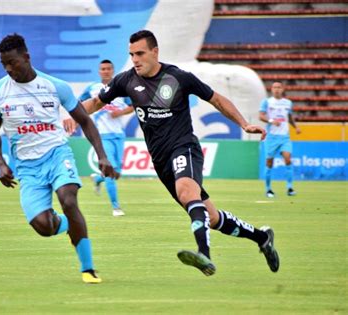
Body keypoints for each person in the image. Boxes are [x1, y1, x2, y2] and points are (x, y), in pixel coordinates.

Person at [79, 30, 280, 276]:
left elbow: (216, 99)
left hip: (184, 147)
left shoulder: (178, 77)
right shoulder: (126, 80)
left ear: (155, 51)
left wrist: (243, 124)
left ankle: (204, 254)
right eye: (131, 54)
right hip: (161, 160)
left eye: (140, 53)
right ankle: (262, 237)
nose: (135, 59)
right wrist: (69, 116)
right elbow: (96, 103)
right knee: (212, 218)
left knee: (187, 191)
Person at [0, 34, 117, 284]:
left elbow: (85, 121)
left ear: (27, 57)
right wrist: (1, 163)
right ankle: (73, 224)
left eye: (12, 62)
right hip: (26, 166)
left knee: (68, 199)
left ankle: (88, 269)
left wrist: (102, 156)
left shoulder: (56, 86)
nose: (8, 69)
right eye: (4, 64)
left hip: (57, 153)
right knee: (43, 227)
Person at [79, 59, 134, 217]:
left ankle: (97, 179)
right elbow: (79, 104)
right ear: (99, 71)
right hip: (102, 135)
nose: (106, 71)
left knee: (117, 172)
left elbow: (133, 106)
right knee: (111, 171)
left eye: (108, 68)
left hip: (119, 134)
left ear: (113, 70)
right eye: (103, 69)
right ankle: (116, 207)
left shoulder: (121, 88)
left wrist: (120, 112)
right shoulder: (92, 88)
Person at [259, 82, 301, 198]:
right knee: (269, 162)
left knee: (288, 158)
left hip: (285, 137)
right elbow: (261, 116)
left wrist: (296, 127)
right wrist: (272, 121)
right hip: (271, 137)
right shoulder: (267, 102)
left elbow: (289, 117)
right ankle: (268, 189)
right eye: (274, 87)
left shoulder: (288, 103)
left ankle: (290, 187)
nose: (277, 89)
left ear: (282, 89)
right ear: (271, 89)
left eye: (279, 87)